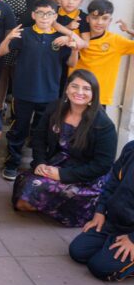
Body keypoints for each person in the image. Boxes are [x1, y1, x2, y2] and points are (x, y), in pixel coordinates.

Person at [13, 70, 116, 227]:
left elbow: (102, 165)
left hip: (86, 176)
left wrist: (62, 175)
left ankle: (74, 209)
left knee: (32, 194)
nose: (79, 92)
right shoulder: (55, 108)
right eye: (74, 86)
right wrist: (40, 162)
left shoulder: (104, 125)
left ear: (94, 94)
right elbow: (39, 138)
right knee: (22, 191)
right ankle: (55, 203)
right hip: (57, 163)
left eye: (86, 88)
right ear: (67, 89)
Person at [0, 0, 79, 180]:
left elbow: (71, 63)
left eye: (49, 14)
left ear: (54, 17)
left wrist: (74, 49)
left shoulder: (60, 39)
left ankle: (39, 163)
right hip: (23, 91)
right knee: (19, 128)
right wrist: (8, 37)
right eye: (40, 13)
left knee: (43, 132)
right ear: (33, 15)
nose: (44, 17)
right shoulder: (24, 34)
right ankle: (12, 163)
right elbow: (2, 52)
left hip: (49, 93)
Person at [69, 140, 134, 281]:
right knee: (78, 251)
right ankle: (112, 246)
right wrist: (100, 211)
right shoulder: (131, 147)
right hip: (116, 222)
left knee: (100, 267)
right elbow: (113, 182)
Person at [0, 0, 45, 107]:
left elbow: (36, 12)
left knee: (19, 78)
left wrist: (13, 29)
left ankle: (17, 115)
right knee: (0, 76)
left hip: (23, 39)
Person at [73, 0, 134, 107]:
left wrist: (129, 31)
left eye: (105, 18)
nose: (99, 22)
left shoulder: (115, 41)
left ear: (110, 20)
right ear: (87, 19)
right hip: (74, 95)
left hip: (98, 99)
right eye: (95, 17)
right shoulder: (75, 35)